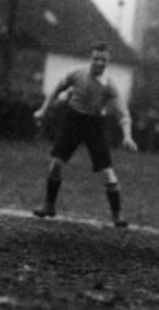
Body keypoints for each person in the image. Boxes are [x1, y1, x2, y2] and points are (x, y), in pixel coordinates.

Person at [32, 42, 137, 228]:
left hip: (94, 126)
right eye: (96, 58)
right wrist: (43, 110)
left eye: (103, 60)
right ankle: (48, 205)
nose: (98, 62)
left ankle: (117, 215)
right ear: (91, 58)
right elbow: (56, 89)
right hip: (72, 121)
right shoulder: (77, 73)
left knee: (108, 172)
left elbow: (124, 113)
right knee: (56, 164)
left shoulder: (109, 85)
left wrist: (127, 135)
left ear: (107, 62)